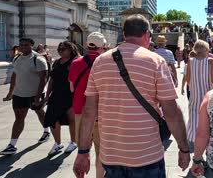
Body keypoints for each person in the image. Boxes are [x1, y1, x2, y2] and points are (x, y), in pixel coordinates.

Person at [73, 14, 190, 178]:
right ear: (146, 35)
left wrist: (83, 151)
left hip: (111, 155)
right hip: (147, 156)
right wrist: (183, 148)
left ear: (124, 34)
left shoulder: (100, 62)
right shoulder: (156, 61)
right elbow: (171, 111)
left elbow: (89, 112)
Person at [0, 38, 50, 155]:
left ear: (32, 46)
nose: (23, 47)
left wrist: (38, 96)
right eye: (21, 45)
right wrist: (10, 92)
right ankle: (12, 145)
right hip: (19, 94)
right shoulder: (17, 58)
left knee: (40, 112)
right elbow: (14, 75)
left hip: (35, 93)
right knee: (19, 118)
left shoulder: (38, 59)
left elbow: (43, 79)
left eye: (26, 45)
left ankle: (46, 131)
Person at [68, 32, 106, 178]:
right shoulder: (106, 63)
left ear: (86, 45)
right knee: (101, 153)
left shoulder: (75, 63)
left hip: (80, 111)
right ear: (102, 46)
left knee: (82, 151)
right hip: (101, 113)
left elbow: (72, 88)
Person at [44, 41, 80, 155]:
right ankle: (57, 143)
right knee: (52, 119)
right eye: (59, 49)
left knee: (71, 119)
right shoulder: (57, 62)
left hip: (71, 95)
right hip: (56, 94)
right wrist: (47, 95)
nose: (60, 51)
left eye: (63, 49)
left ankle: (73, 142)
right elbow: (52, 79)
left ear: (71, 49)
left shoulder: (76, 62)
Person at [184, 40, 213, 145]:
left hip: (195, 95)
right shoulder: (210, 61)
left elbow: (188, 79)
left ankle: (196, 142)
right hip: (208, 95)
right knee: (209, 119)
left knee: (195, 119)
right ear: (207, 49)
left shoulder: (190, 60)